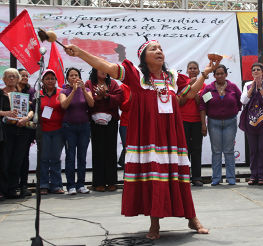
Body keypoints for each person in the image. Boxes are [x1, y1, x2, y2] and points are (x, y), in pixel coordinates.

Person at [64, 39, 218, 239]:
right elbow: (107, 67)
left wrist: (206, 72)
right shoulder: (136, 76)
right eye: (153, 49)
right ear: (143, 57)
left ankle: (191, 217)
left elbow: (189, 94)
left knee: (179, 175)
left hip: (171, 135)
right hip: (149, 135)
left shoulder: (171, 77)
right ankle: (155, 223)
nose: (159, 51)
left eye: (161, 48)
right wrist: (80, 53)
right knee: (154, 177)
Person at [200, 64, 242, 186]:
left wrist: (232, 112)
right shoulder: (209, 89)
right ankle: (216, 178)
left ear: (226, 74)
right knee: (216, 151)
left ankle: (231, 177)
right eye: (217, 74)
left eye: (222, 73)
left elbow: (240, 102)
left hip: (230, 122)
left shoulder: (233, 87)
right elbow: (202, 107)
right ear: (214, 75)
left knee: (229, 151)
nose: (219, 76)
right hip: (214, 123)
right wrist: (204, 124)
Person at [85, 68, 123, 192]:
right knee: (98, 151)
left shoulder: (113, 83)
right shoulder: (89, 84)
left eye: (106, 70)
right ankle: (98, 183)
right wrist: (98, 97)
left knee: (111, 150)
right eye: (101, 69)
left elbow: (119, 99)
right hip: (95, 122)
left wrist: (106, 96)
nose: (104, 71)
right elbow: (87, 102)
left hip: (111, 122)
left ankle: (112, 182)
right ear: (95, 71)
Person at [59, 67, 94, 195]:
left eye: (76, 75)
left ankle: (81, 184)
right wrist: (73, 91)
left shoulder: (87, 90)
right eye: (71, 76)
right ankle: (71, 185)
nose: (74, 78)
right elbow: (64, 105)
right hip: (69, 127)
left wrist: (83, 90)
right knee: (70, 156)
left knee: (82, 157)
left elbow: (91, 104)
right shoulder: (64, 91)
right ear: (67, 78)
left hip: (84, 127)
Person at [0, 68, 34, 198]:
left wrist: (27, 118)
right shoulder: (1, 93)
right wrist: (6, 113)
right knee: (4, 160)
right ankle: (3, 189)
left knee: (17, 160)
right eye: (9, 76)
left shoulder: (22, 93)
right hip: (6, 131)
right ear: (4, 79)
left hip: (22, 130)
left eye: (14, 76)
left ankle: (13, 189)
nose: (12, 79)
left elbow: (31, 110)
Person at [240, 62, 263, 185]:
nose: (256, 71)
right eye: (253, 70)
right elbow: (243, 100)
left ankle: (262, 176)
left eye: (258, 69)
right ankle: (253, 175)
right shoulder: (247, 84)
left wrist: (260, 88)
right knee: (253, 149)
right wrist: (251, 88)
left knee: (262, 148)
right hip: (251, 120)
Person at [39, 69, 65, 195]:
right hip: (43, 131)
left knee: (55, 158)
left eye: (52, 78)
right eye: (47, 78)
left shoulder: (61, 93)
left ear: (56, 80)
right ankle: (43, 185)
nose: (50, 81)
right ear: (42, 81)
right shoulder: (38, 94)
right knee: (43, 158)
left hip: (58, 130)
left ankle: (56, 185)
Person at [179, 61, 205, 187]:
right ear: (187, 71)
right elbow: (180, 103)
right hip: (183, 120)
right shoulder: (182, 85)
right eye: (190, 68)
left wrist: (196, 90)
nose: (193, 70)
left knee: (196, 149)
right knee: (184, 150)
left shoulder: (203, 85)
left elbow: (203, 104)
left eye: (195, 68)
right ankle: (184, 177)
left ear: (199, 71)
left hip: (197, 122)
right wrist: (189, 87)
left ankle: (197, 177)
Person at [17, 68, 36, 197]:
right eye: (22, 75)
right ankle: (10, 186)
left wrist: (27, 116)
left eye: (26, 75)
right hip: (10, 128)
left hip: (26, 128)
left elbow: (34, 108)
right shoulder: (8, 91)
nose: (25, 77)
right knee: (9, 158)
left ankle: (24, 185)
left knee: (24, 157)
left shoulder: (31, 91)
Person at [118, 83, 131, 168]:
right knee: (128, 149)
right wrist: (131, 98)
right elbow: (122, 107)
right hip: (126, 124)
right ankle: (127, 175)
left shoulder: (143, 85)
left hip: (140, 123)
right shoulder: (122, 87)